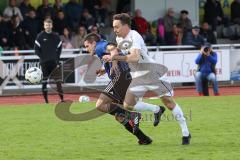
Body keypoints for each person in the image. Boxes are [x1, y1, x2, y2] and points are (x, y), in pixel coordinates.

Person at [103, 13, 191, 145]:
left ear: (126, 26)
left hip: (152, 73)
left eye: (117, 27)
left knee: (169, 103)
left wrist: (114, 58)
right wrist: (105, 67)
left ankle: (185, 133)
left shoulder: (135, 36)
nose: (114, 30)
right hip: (138, 75)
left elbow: (135, 57)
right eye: (113, 27)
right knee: (128, 105)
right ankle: (156, 109)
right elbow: (121, 55)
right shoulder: (119, 39)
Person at [83, 32, 152, 145]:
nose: (86, 49)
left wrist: (114, 64)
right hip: (125, 78)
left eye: (87, 46)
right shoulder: (102, 46)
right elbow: (114, 54)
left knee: (100, 105)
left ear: (93, 43)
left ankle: (134, 115)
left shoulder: (100, 46)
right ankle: (143, 138)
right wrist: (104, 69)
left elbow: (113, 49)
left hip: (120, 78)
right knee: (119, 117)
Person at [34, 18, 64, 103]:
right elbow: (36, 50)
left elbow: (59, 48)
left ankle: (62, 99)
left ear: (52, 25)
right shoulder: (40, 36)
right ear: (44, 26)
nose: (48, 26)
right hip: (44, 63)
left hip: (54, 63)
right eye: (46, 25)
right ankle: (46, 101)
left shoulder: (56, 36)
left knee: (58, 82)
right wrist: (42, 58)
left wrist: (57, 58)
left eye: (49, 25)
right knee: (44, 82)